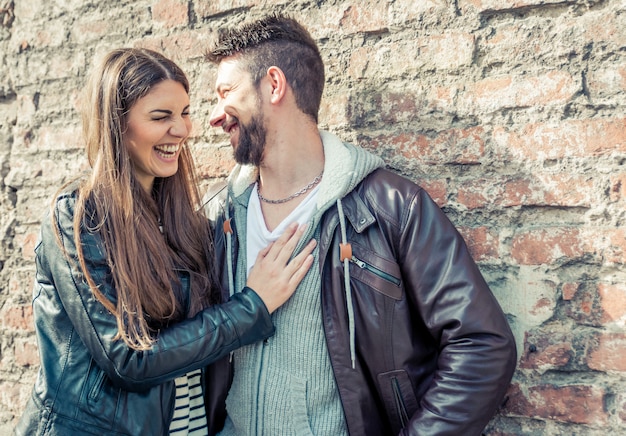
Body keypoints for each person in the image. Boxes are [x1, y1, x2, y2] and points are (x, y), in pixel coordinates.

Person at [203, 14, 517, 436]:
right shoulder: (222, 214)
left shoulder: (391, 208)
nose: (214, 115)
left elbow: (482, 346)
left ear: (273, 85)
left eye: (226, 93)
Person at [14, 47, 316, 436]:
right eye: (161, 117)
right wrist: (252, 306)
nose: (182, 129)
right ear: (117, 125)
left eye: (185, 113)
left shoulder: (184, 223)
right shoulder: (78, 220)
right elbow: (127, 360)